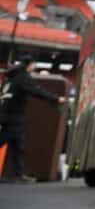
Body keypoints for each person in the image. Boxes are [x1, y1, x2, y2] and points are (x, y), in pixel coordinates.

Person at [0, 54, 68, 183]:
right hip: (15, 115)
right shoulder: (23, 77)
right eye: (34, 65)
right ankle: (18, 175)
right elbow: (37, 90)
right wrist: (55, 98)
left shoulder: (10, 77)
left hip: (6, 114)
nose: (34, 67)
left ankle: (18, 174)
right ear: (30, 65)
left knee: (18, 145)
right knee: (9, 140)